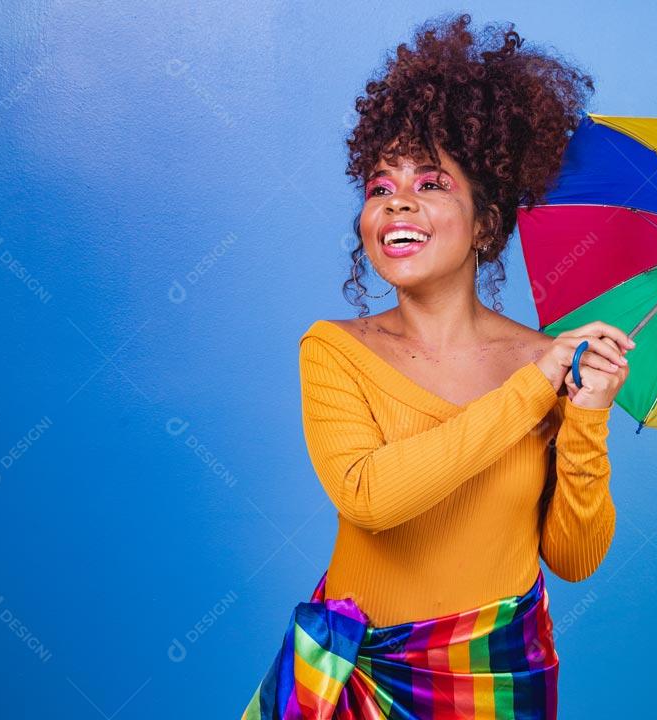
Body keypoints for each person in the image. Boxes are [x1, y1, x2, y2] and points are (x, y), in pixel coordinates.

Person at [242, 13, 633, 719]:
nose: (397, 199)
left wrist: (588, 416)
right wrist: (531, 389)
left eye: (430, 183)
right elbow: (370, 497)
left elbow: (574, 559)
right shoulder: (335, 350)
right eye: (379, 186)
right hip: (356, 678)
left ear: (485, 223)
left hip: (497, 679)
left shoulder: (545, 363)